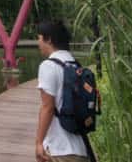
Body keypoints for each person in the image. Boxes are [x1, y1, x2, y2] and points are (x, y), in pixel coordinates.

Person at [35, 19, 91, 162]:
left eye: (39, 38)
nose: (38, 43)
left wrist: (39, 143)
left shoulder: (48, 66)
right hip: (81, 148)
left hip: (59, 149)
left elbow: (48, 108)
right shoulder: (75, 64)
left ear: (49, 40)